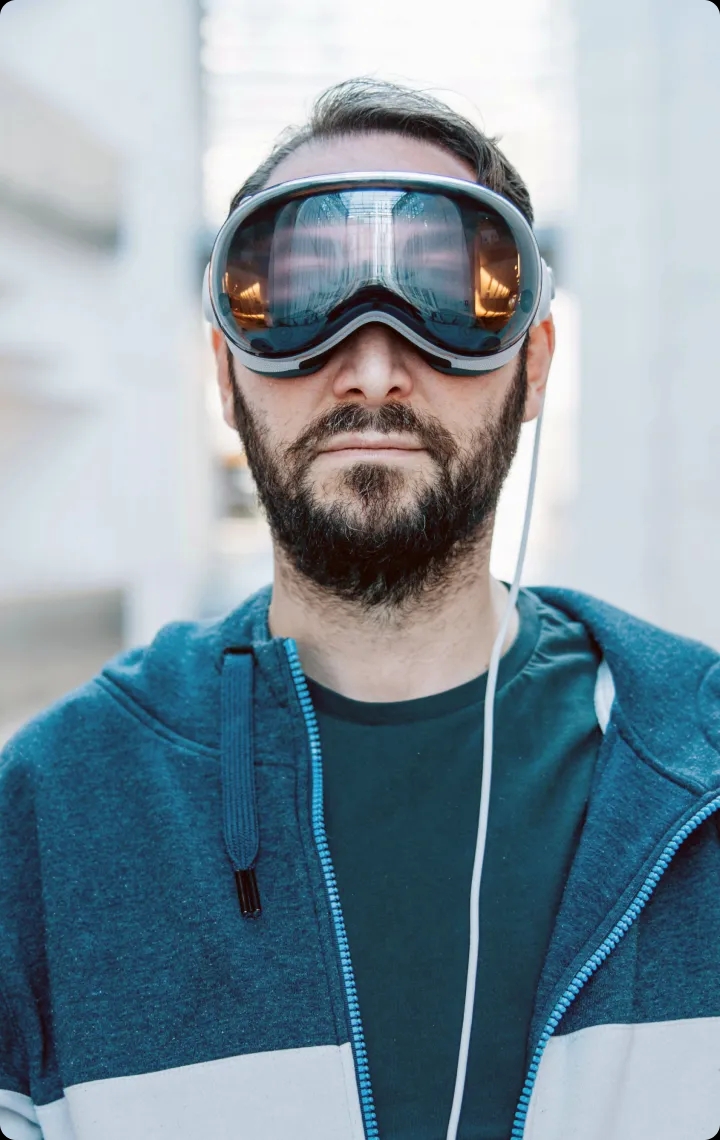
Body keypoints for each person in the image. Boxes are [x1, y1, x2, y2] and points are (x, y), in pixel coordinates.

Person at [1, 78, 720, 1140]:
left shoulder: (697, 768)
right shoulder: (53, 817)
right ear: (225, 372)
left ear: (534, 366)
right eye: (297, 302)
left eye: (443, 300)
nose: (373, 365)